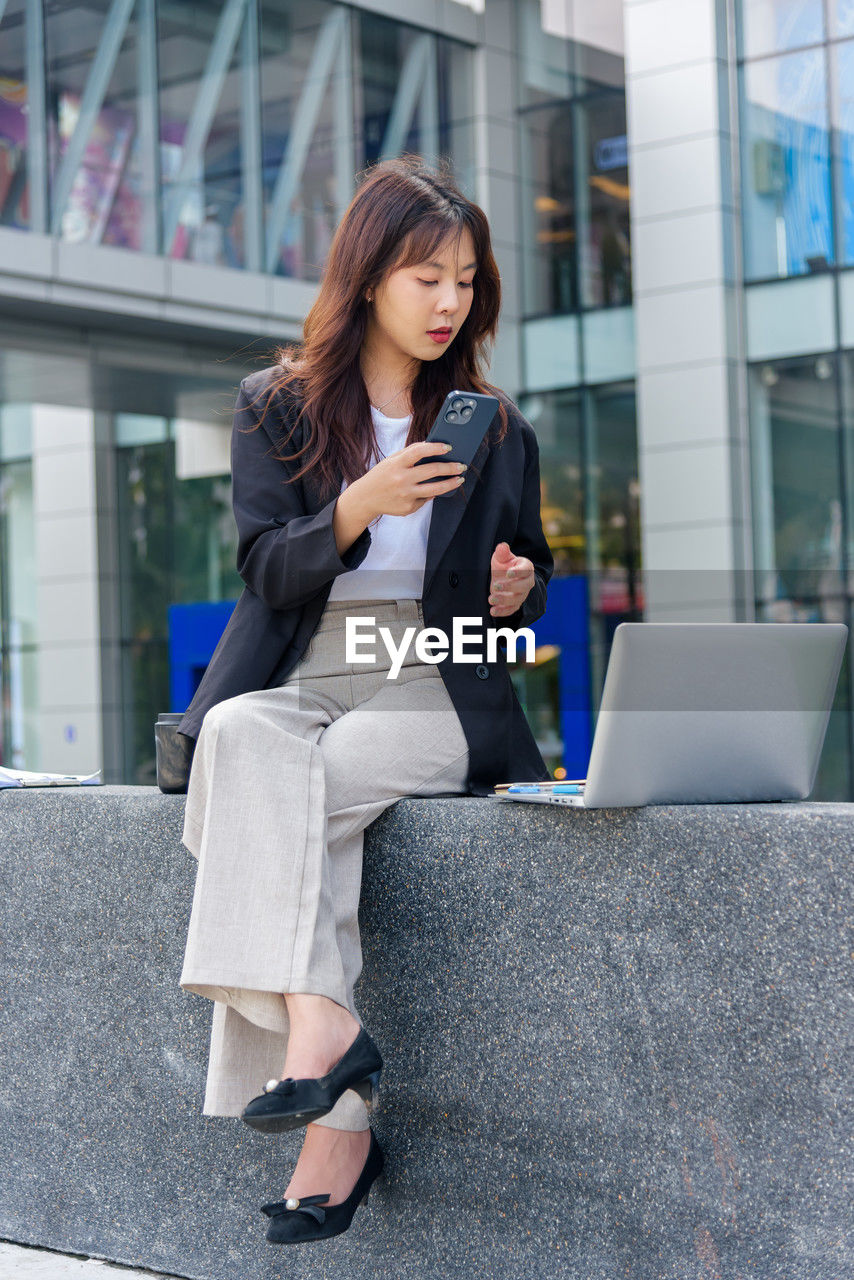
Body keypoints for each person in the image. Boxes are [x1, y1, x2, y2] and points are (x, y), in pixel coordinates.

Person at [176, 155, 554, 1246]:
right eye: (424, 276)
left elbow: (521, 574)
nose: (448, 302)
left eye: (465, 280)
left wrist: (514, 580)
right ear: (368, 276)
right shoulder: (278, 406)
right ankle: (328, 1043)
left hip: (438, 671)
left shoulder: (494, 425)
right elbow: (264, 568)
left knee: (302, 792)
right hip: (308, 666)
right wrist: (356, 506)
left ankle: (330, 1101)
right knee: (244, 735)